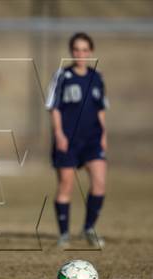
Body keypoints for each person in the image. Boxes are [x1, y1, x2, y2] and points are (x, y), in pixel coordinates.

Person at [45, 32, 109, 248]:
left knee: (99, 182)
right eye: (76, 50)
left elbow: (100, 109)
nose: (80, 54)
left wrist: (104, 135)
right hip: (68, 139)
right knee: (66, 186)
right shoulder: (62, 75)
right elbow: (53, 107)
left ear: (90, 52)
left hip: (92, 138)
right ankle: (64, 234)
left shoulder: (96, 77)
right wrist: (59, 134)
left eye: (84, 50)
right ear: (71, 52)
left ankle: (89, 228)